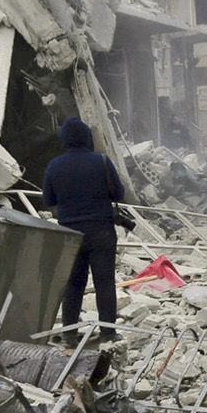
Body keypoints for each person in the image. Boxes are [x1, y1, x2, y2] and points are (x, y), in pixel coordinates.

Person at [42, 117, 134, 333]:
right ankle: (107, 335)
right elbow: (119, 194)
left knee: (73, 286)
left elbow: (49, 200)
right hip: (101, 232)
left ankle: (70, 336)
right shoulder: (102, 161)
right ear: (87, 138)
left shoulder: (55, 166)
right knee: (104, 285)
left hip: (71, 235)